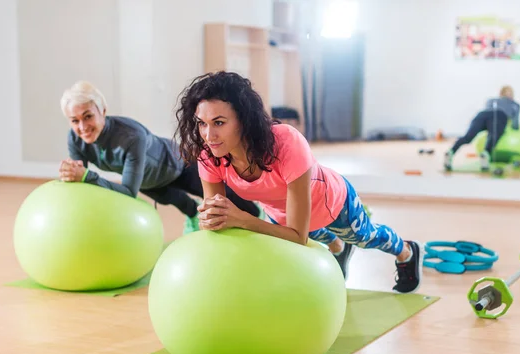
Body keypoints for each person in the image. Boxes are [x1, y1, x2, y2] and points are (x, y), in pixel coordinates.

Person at [174, 71, 423, 294]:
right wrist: (211, 219)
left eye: (219, 123)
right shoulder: (209, 154)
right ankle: (338, 247)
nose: (208, 135)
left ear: (244, 120)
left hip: (331, 203)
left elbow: (296, 238)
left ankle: (406, 251)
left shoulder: (285, 142)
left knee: (366, 237)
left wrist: (242, 219)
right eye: (201, 124)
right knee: (313, 237)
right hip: (283, 215)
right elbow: (217, 218)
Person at [58, 80, 262, 234]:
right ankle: (193, 216)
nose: (82, 127)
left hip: (177, 164)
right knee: (173, 200)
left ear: (102, 110)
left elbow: (127, 191)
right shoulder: (74, 139)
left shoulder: (130, 136)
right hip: (147, 178)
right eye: (74, 120)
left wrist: (86, 176)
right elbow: (80, 180)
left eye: (88, 116)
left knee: (222, 199)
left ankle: (257, 214)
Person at [445, 85, 520, 171]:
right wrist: (511, 127)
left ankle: (451, 151)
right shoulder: (515, 105)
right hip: (499, 115)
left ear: (501, 94)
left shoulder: (491, 100)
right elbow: (515, 124)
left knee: (468, 137)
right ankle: (485, 154)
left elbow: (488, 111)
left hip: (482, 114)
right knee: (494, 135)